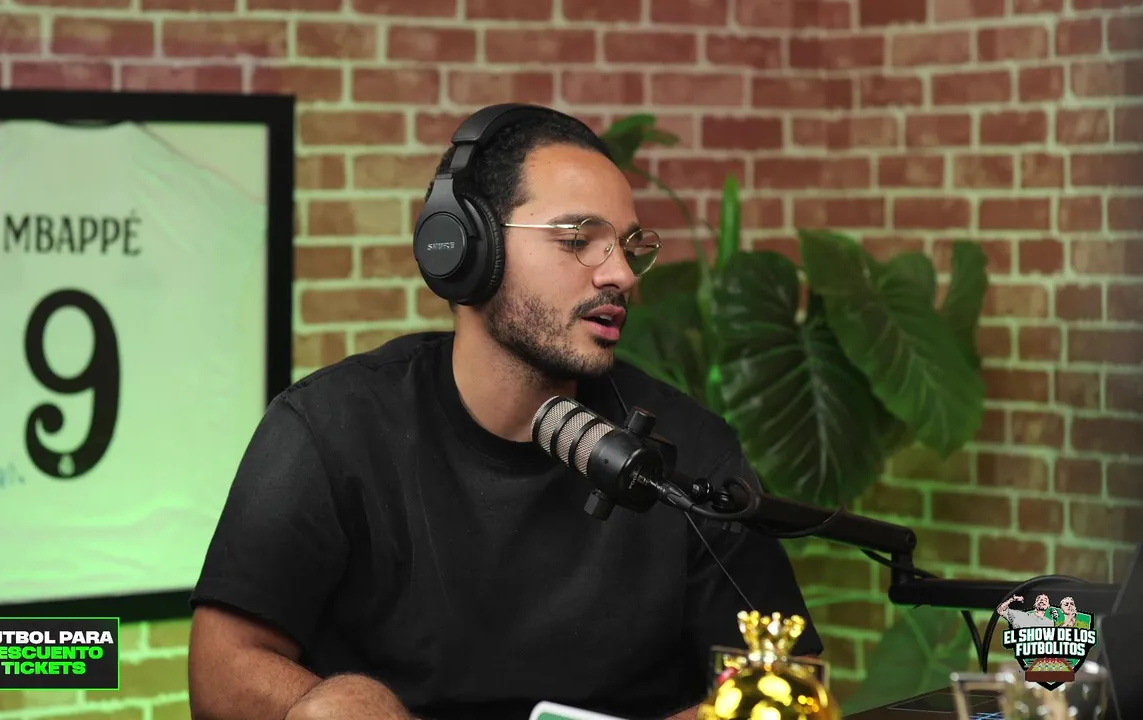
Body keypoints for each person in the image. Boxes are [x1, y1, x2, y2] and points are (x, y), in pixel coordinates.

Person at [186, 104, 822, 720]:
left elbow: (786, 678)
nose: (622, 275)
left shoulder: (692, 453)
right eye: (579, 239)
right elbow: (221, 666)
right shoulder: (332, 426)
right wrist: (328, 703)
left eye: (630, 247)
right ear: (465, 248)